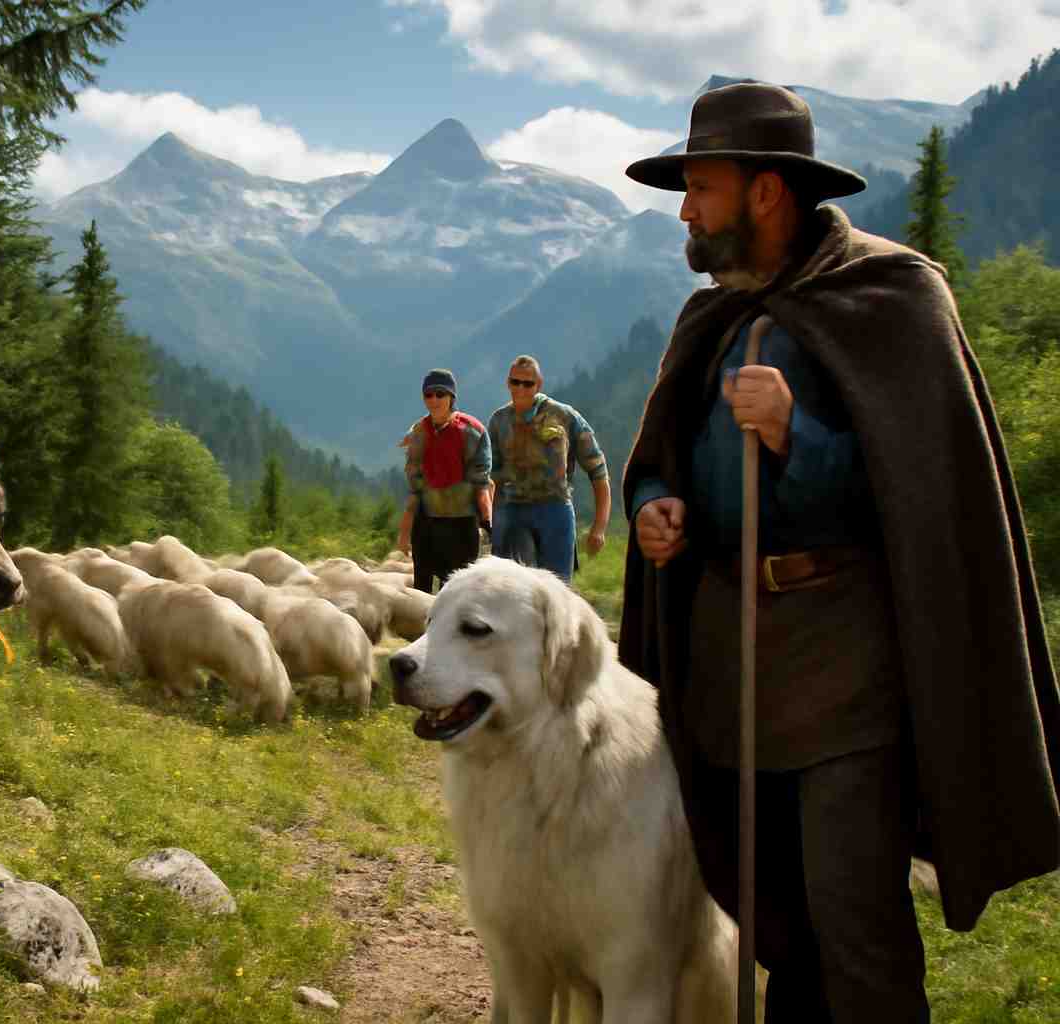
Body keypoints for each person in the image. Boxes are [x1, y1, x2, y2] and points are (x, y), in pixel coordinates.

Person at [618, 81, 1060, 1023]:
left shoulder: (894, 296)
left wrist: (795, 435)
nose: (685, 212)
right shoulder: (713, 318)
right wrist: (657, 507)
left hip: (850, 670)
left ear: (767, 191)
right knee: (778, 921)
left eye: (700, 188)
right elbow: (658, 461)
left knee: (854, 915)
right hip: (729, 666)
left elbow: (928, 494)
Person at [485, 355, 611, 580]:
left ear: (539, 385)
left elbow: (598, 471)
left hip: (555, 510)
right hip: (514, 511)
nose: (521, 388)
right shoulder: (499, 421)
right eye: (515, 382)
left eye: (528, 383)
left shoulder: (564, 416)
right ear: (508, 383)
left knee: (558, 588)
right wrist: (492, 524)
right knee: (515, 586)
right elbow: (493, 479)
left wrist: (599, 527)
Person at [397, 369, 491, 595]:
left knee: (457, 595)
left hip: (461, 526)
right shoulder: (418, 433)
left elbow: (482, 483)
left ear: (451, 397)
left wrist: (487, 521)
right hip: (426, 525)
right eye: (429, 395)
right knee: (422, 592)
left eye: (440, 394)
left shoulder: (473, 432)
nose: (434, 400)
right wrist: (404, 532)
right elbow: (415, 488)